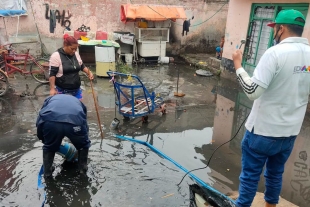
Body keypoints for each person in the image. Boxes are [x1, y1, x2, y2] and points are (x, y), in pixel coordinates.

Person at [232, 9, 310, 207]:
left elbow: (252, 91)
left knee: (250, 177)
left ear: (281, 28)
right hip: (290, 133)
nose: (274, 32)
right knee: (275, 174)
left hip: (263, 132)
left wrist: (238, 66)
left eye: (274, 28)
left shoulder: (274, 53)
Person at [36, 94, 91, 177]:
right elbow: (84, 125)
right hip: (75, 122)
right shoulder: (78, 102)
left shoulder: (48, 100)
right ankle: (82, 169)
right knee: (83, 146)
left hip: (51, 122)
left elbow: (40, 121)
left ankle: (47, 173)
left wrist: (45, 141)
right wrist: (83, 141)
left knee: (49, 147)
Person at [49, 34, 94, 99]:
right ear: (65, 45)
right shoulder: (56, 56)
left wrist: (89, 73)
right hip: (62, 91)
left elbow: (81, 66)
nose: (74, 51)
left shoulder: (76, 54)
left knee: (77, 108)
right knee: (66, 108)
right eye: (72, 49)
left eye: (75, 49)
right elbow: (52, 74)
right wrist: (52, 89)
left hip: (76, 90)